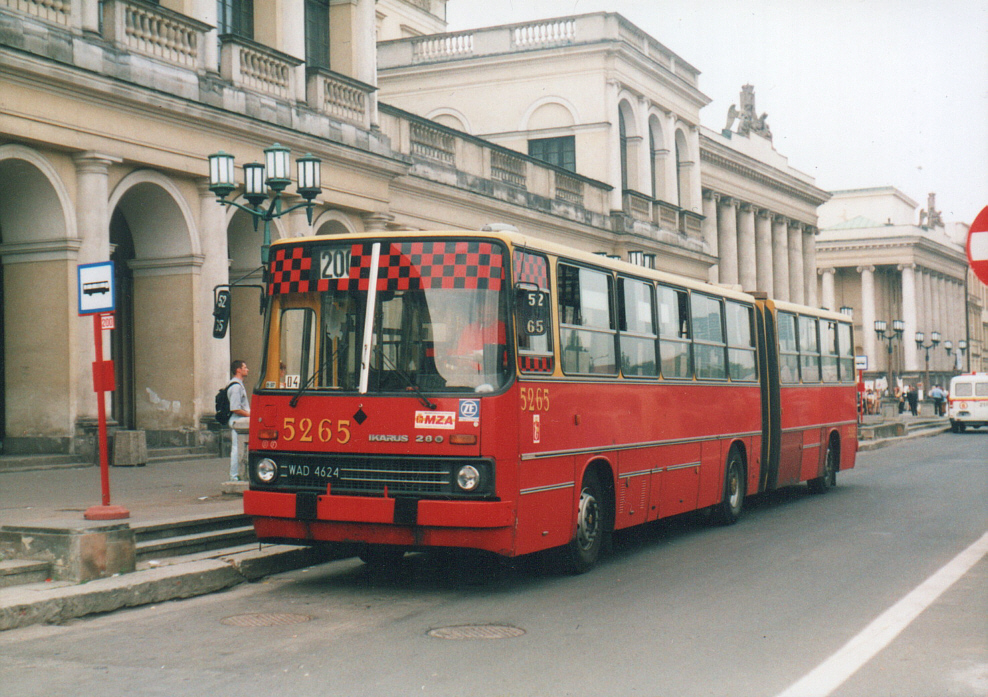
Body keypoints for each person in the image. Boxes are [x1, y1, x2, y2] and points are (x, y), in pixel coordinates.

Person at [227, 360, 250, 482]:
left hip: (240, 421)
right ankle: (234, 476)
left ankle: (238, 474)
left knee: (238, 448)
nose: (247, 369)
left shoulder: (238, 385)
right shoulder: (236, 386)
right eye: (245, 367)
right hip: (238, 422)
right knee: (236, 449)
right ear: (238, 370)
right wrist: (249, 414)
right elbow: (235, 408)